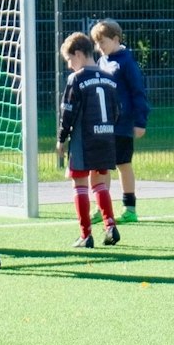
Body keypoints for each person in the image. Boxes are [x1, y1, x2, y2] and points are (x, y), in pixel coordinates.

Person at [56, 32, 122, 249]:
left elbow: (68, 111)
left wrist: (61, 139)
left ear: (78, 54)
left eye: (69, 60)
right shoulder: (110, 79)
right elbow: (116, 111)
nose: (69, 66)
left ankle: (85, 235)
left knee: (79, 184)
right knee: (100, 184)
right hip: (105, 137)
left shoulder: (76, 79)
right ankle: (110, 226)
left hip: (84, 140)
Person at [91, 20, 150, 222]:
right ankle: (102, 208)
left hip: (122, 124)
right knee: (103, 165)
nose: (99, 47)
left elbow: (138, 92)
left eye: (103, 42)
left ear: (116, 39)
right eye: (96, 44)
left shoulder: (126, 62)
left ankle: (130, 208)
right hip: (104, 123)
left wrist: (140, 121)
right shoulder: (101, 62)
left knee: (123, 164)